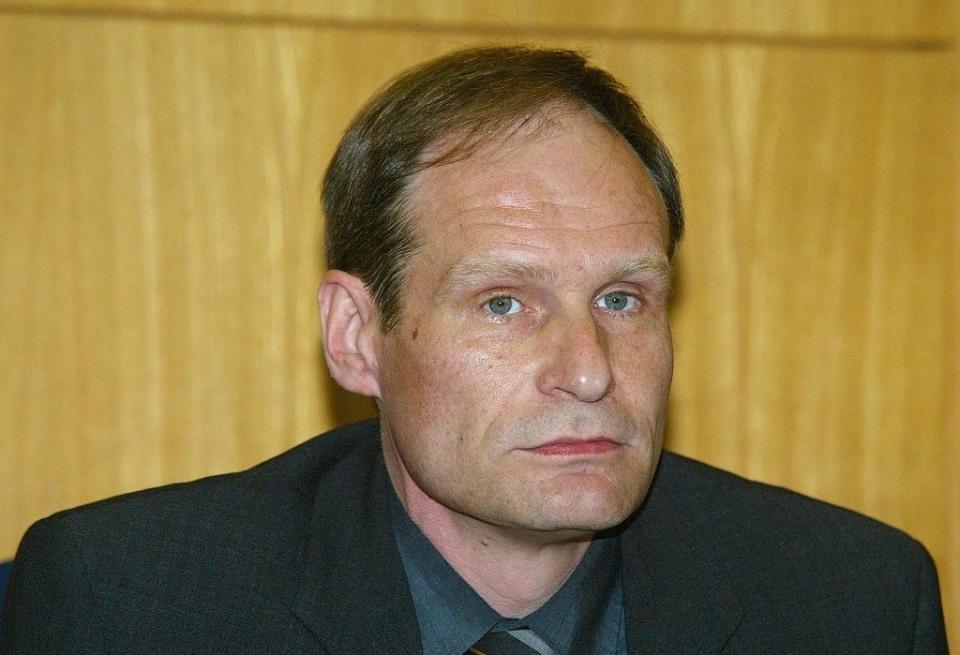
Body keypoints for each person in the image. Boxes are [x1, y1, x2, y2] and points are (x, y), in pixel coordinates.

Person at [0, 46, 948, 654]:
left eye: (623, 297)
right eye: (503, 303)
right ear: (357, 337)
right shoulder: (124, 605)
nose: (590, 369)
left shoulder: (853, 602)